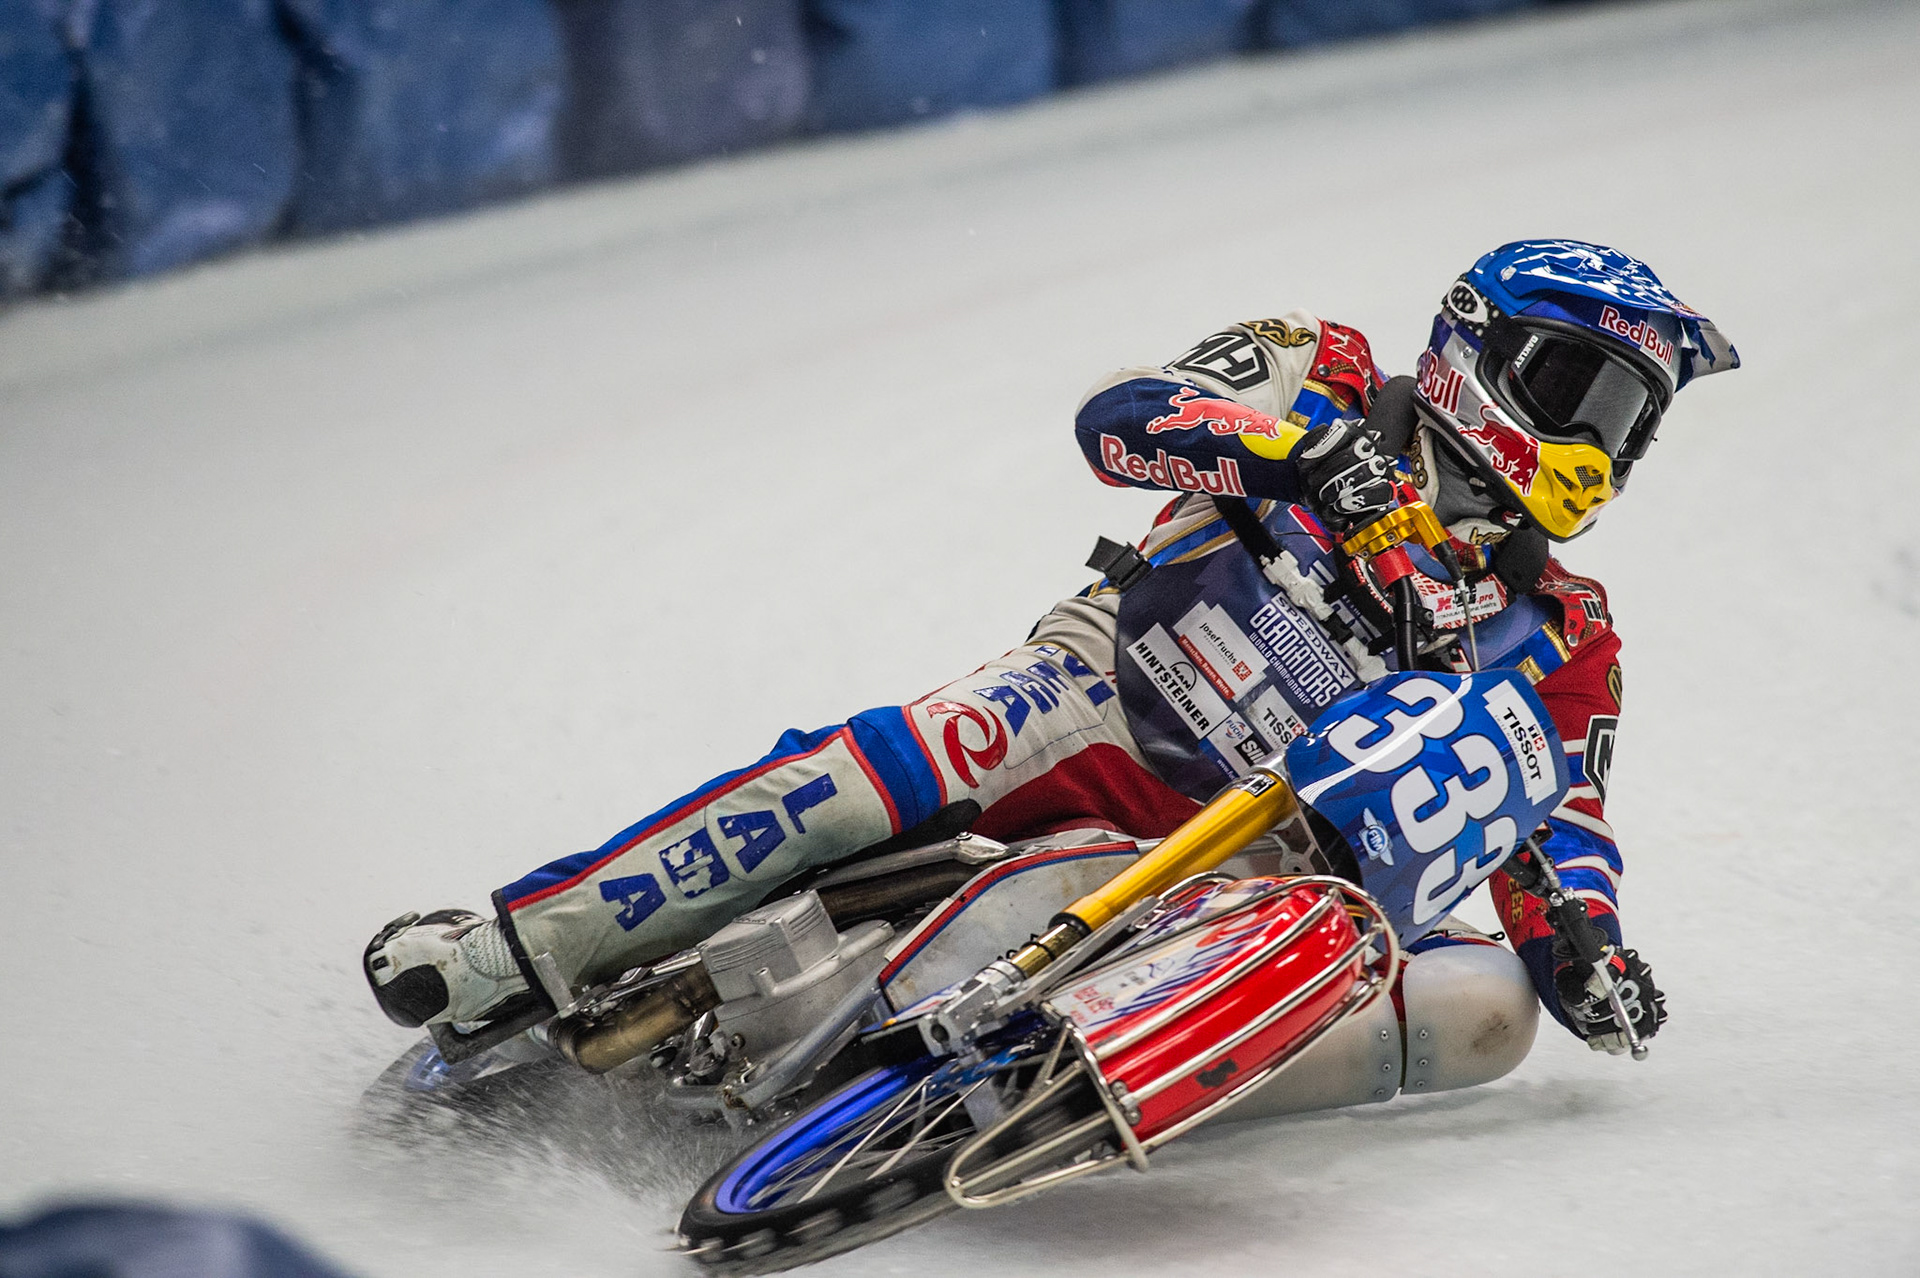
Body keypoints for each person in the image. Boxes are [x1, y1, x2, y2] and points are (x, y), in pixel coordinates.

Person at [364, 239, 1736, 1058]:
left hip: (1265, 844)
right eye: (1582, 392)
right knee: (857, 774)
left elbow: (1553, 813)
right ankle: (506, 943)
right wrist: (1307, 457)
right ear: (1474, 354)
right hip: (1099, 684)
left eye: (1629, 421)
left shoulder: (1569, 633)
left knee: (1452, 999)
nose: (1597, 443)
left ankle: (1018, 1105)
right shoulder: (1321, 366)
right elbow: (1118, 418)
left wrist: (1585, 948)